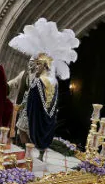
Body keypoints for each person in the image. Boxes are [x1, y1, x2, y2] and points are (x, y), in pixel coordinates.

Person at [8, 18, 80, 159]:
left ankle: (33, 153)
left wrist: (34, 110)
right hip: (34, 112)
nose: (33, 66)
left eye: (37, 64)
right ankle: (29, 152)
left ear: (45, 65)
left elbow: (43, 99)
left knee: (28, 132)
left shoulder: (44, 81)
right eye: (33, 64)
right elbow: (16, 85)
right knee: (22, 130)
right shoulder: (36, 78)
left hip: (36, 114)